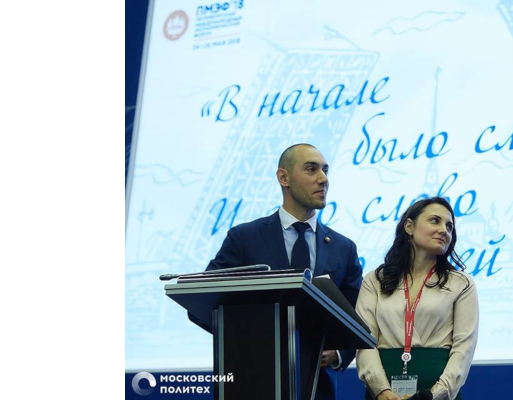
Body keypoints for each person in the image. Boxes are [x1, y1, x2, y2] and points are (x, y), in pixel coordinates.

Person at [190, 143, 363, 400]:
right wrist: (244, 343)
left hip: (318, 388)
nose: (323, 179)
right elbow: (203, 301)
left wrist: (339, 353)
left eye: (325, 170)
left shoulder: (343, 247)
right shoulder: (244, 238)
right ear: (284, 177)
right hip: (251, 385)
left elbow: (357, 313)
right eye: (311, 169)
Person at [356, 197, 479, 400]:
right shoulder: (375, 279)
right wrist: (381, 391)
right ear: (409, 227)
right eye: (435, 221)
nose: (443, 230)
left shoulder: (461, 283)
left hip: (437, 394)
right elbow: (364, 341)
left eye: (449, 226)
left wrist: (434, 395)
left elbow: (464, 349)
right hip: (383, 393)